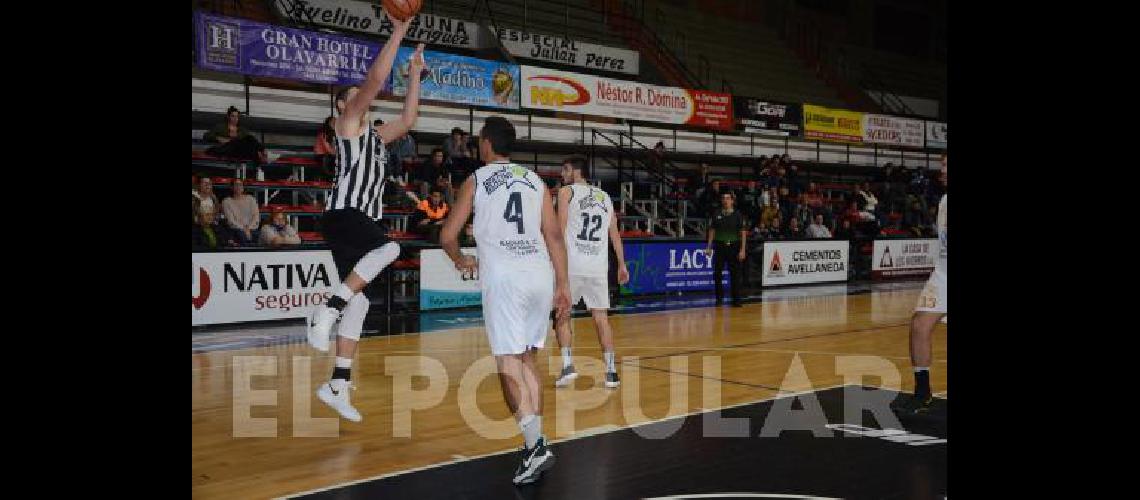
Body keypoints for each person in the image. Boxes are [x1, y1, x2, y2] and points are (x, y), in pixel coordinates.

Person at [303, 13, 423, 424]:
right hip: (344, 214)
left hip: (356, 221)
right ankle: (325, 310)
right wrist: (399, 31)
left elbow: (408, 120)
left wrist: (415, 76)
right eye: (354, 95)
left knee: (361, 303)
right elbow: (372, 81)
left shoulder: (375, 135)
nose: (363, 97)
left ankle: (337, 383)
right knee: (390, 248)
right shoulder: (348, 123)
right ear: (343, 105)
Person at [439, 116, 571, 485]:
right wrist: (564, 283)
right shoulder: (535, 180)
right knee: (528, 357)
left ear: (485, 143)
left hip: (505, 277)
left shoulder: (478, 179)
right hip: (540, 273)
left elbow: (447, 234)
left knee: (507, 361)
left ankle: (534, 446)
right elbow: (555, 236)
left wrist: (461, 260)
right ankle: (537, 442)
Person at [552, 157, 630, 390]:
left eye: (565, 169)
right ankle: (611, 372)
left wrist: (555, 264)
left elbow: (559, 229)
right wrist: (622, 264)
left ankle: (567, 367)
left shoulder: (567, 192)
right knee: (601, 319)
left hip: (572, 265)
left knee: (562, 315)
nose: (562, 173)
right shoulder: (604, 196)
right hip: (597, 267)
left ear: (576, 171)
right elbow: (615, 234)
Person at [893, 155, 948, 416]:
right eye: (942, 166)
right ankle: (922, 391)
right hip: (944, 272)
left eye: (947, 167)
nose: (942, 172)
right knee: (919, 325)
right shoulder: (945, 200)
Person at [706, 191, 747, 307]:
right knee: (717, 273)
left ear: (732, 201)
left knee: (735, 274)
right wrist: (708, 246)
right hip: (719, 246)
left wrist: (742, 249)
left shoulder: (738, 215)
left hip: (733, 246)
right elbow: (712, 231)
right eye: (723, 198)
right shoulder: (717, 213)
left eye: (728, 198)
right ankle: (719, 298)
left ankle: (736, 300)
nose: (725, 200)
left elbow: (743, 233)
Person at [204, 106, 268, 163]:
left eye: (237, 116)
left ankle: (261, 151)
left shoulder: (242, 129)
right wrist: (218, 138)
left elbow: (250, 141)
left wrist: (261, 149)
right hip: (228, 149)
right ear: (228, 116)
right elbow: (206, 136)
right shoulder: (221, 127)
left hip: (240, 150)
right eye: (233, 116)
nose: (235, 119)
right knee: (242, 143)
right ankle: (259, 155)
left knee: (250, 138)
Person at [221, 178, 260, 246]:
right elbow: (231, 221)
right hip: (236, 230)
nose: (238, 187)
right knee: (241, 235)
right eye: (236, 185)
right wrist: (244, 229)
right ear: (232, 187)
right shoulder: (227, 201)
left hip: (252, 229)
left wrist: (248, 228)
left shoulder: (251, 199)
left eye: (240, 185)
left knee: (258, 235)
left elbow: (256, 217)